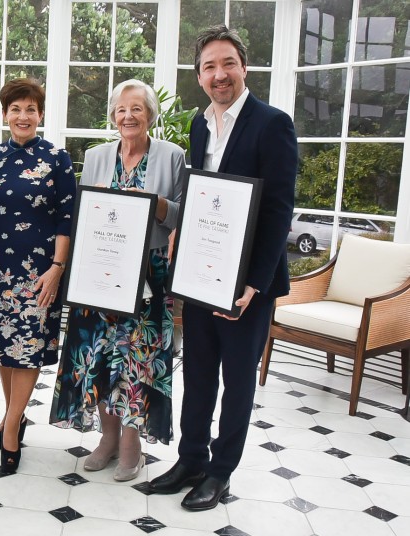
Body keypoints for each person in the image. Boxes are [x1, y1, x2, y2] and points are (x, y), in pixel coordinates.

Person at [147, 25, 297, 511]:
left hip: (246, 286)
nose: (219, 74)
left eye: (227, 63)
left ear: (244, 68)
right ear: (199, 75)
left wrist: (253, 284)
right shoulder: (198, 124)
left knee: (236, 379)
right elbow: (199, 194)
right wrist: (178, 237)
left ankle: (220, 472)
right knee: (198, 372)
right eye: (209, 66)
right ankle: (190, 458)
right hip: (201, 272)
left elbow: (277, 211)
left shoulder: (271, 123)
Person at [50, 79, 184, 481]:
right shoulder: (95, 157)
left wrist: (154, 204)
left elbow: (181, 214)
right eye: (121, 110)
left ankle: (131, 444)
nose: (128, 116)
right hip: (100, 272)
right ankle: (107, 439)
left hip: (148, 273)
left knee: (137, 360)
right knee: (98, 357)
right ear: (112, 116)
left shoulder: (171, 156)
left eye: (137, 109)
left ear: (150, 115)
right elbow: (82, 213)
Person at [0, 78, 76, 474]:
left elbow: (68, 218)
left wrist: (57, 269)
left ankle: (12, 425)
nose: (23, 116)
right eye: (15, 109)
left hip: (40, 272)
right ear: (5, 114)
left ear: (41, 114)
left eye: (30, 109)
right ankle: (11, 415)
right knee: (4, 347)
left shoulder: (57, 159)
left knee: (28, 347)